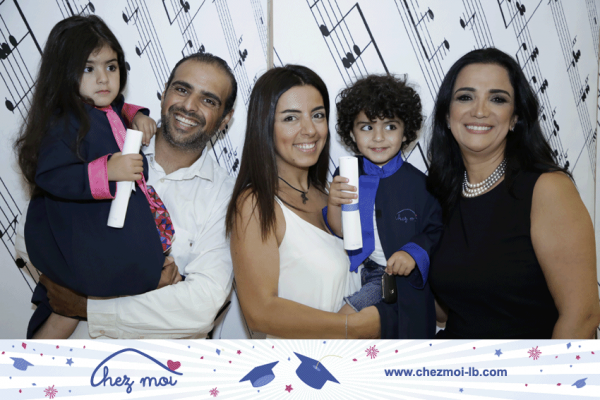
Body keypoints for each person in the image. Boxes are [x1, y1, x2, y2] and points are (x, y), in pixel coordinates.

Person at [16, 51, 237, 339]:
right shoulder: (98, 140)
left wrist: (87, 305)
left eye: (209, 101)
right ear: (164, 93)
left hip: (157, 364)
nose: (188, 106)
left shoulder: (227, 197)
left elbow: (201, 306)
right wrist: (145, 282)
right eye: (182, 90)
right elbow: (31, 232)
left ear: (225, 119)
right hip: (68, 354)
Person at [14, 15, 177, 339]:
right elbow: (51, 174)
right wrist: (108, 171)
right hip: (84, 224)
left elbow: (118, 107)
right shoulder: (62, 121)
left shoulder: (107, 107)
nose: (103, 78)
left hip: (115, 218)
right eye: (88, 68)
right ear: (64, 73)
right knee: (68, 304)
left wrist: (137, 115)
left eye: (111, 67)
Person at [421, 48, 600, 338]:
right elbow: (447, 309)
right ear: (446, 114)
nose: (480, 111)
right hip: (456, 361)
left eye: (497, 99)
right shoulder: (440, 193)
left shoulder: (547, 189)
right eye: (465, 97)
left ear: (515, 117)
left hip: (528, 365)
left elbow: (582, 316)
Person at [226, 65, 379, 338]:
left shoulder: (333, 195)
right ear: (265, 126)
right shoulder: (255, 204)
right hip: (296, 363)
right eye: (290, 118)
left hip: (351, 360)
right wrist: (352, 327)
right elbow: (260, 312)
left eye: (318, 115)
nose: (310, 130)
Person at [325, 74, 443, 339]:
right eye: (367, 127)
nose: (378, 137)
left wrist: (412, 253)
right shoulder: (346, 173)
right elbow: (340, 230)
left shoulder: (421, 185)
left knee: (340, 324)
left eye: (390, 126)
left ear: (406, 131)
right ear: (352, 132)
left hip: (390, 278)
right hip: (354, 272)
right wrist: (333, 203)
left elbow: (436, 231)